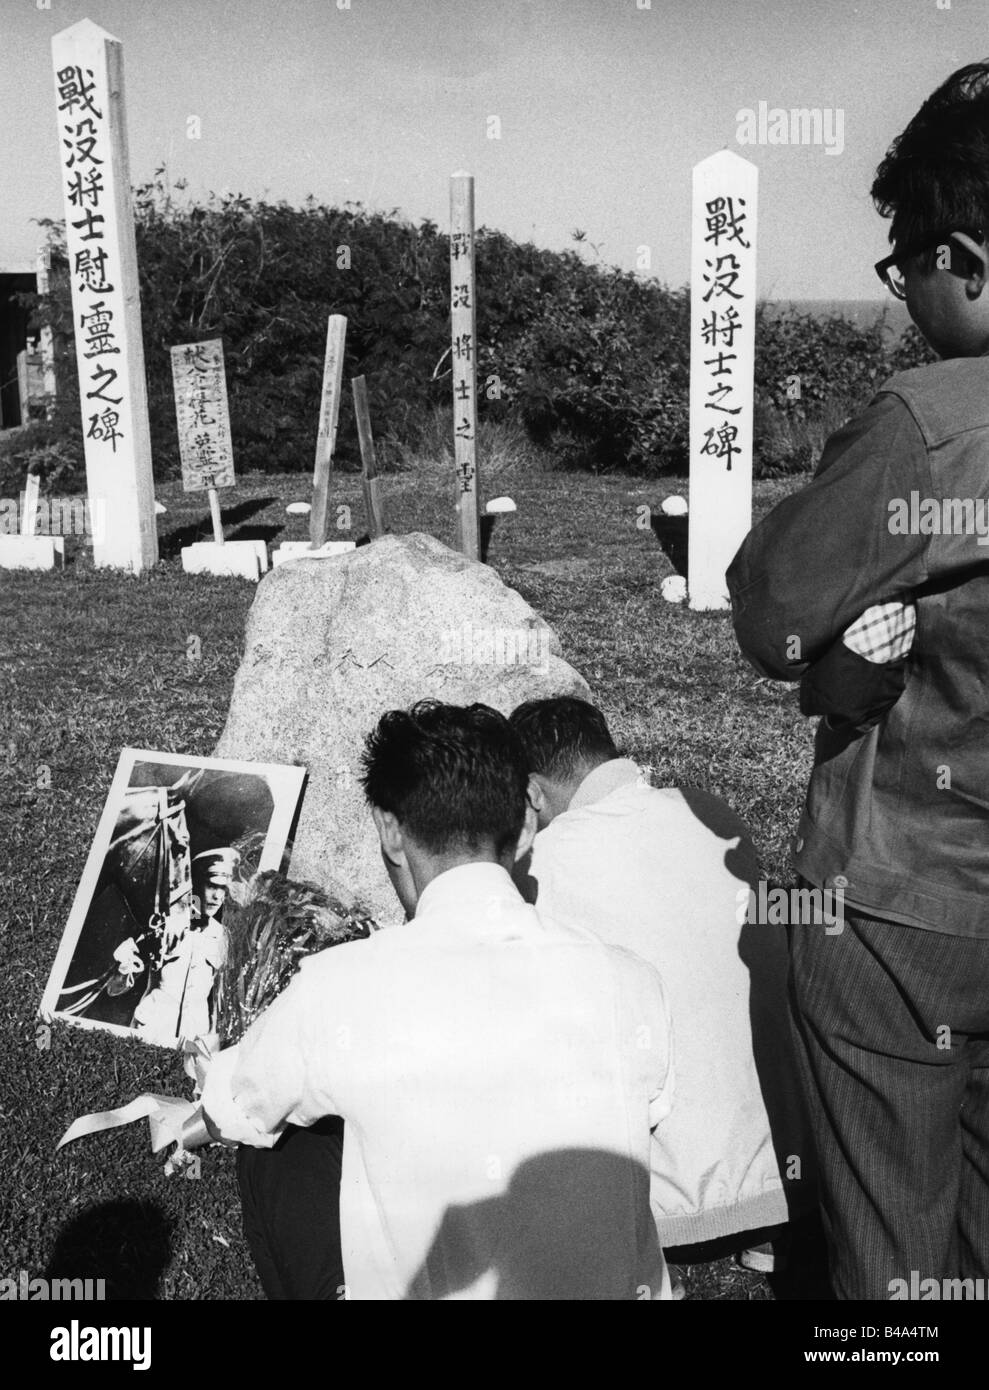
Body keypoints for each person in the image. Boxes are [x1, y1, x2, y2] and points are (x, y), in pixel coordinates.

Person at [726, 61, 989, 1299]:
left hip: (902, 905)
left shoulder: (934, 421)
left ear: (967, 259)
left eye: (907, 267)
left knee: (892, 1262)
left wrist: (828, 661)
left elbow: (772, 601)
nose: (904, 300)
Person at [201, 700, 674, 1300]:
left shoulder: (339, 986)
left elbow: (239, 1102)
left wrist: (199, 1111)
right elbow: (650, 1112)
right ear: (528, 825)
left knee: (276, 1144)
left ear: (391, 832)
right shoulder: (631, 981)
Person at [508, 696, 813, 1271]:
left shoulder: (543, 861)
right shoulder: (711, 810)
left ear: (531, 792)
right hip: (785, 1169)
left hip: (663, 1208)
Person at [121, 846, 239, 1046]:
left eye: (223, 889)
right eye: (212, 886)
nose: (218, 897)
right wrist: (126, 964)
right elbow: (116, 987)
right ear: (196, 885)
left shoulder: (223, 937)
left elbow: (218, 999)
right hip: (152, 1029)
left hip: (194, 1036)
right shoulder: (167, 925)